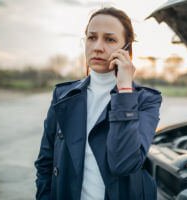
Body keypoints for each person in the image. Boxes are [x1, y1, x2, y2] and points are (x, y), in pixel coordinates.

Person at [34, 7, 162, 200]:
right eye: (92, 37)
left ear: (126, 49)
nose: (98, 47)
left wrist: (125, 91)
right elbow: (45, 163)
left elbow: (123, 163)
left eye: (109, 39)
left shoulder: (146, 100)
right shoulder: (62, 95)